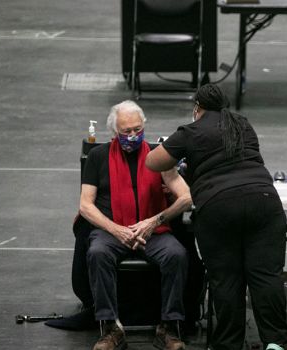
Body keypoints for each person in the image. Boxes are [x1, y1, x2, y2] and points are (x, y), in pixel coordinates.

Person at [146, 84, 287, 350]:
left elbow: (153, 162)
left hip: (219, 207)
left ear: (197, 108)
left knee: (226, 280)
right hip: (265, 202)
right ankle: (276, 343)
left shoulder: (190, 131)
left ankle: (229, 345)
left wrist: (179, 159)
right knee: (266, 277)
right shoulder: (242, 124)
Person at [79, 100, 192, 350]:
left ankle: (169, 326)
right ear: (114, 133)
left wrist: (155, 221)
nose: (132, 136)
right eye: (126, 132)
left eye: (137, 130)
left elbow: (186, 197)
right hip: (112, 230)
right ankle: (110, 327)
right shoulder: (98, 156)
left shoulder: (159, 156)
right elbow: (85, 205)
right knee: (97, 253)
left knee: (176, 254)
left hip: (151, 231)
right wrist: (116, 230)